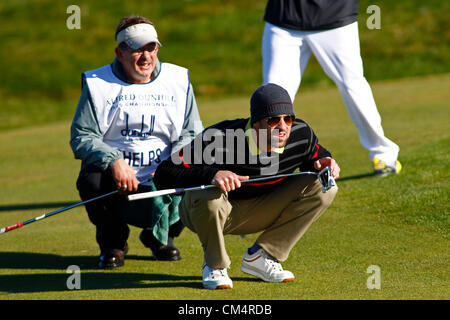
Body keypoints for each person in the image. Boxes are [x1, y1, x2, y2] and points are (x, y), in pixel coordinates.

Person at [153, 83, 339, 289]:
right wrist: (212, 173)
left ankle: (262, 256)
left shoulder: (300, 134)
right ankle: (215, 265)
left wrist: (325, 160)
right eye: (273, 120)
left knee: (324, 185)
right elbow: (164, 174)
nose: (283, 126)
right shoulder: (219, 138)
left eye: (288, 118)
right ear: (256, 122)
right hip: (210, 210)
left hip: (259, 209)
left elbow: (315, 155)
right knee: (208, 193)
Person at [70, 15, 203, 268]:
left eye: (151, 47)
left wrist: (175, 162)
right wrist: (114, 160)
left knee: (196, 171)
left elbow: (193, 131)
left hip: (164, 174)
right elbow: (81, 136)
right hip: (118, 178)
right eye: (136, 49)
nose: (145, 57)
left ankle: (162, 238)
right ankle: (113, 242)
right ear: (119, 52)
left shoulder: (178, 79)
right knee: (91, 179)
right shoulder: (98, 83)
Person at [262, 0, 401, 176]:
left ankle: (384, 155)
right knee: (272, 94)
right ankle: (266, 162)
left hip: (335, 17)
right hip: (283, 20)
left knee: (352, 85)